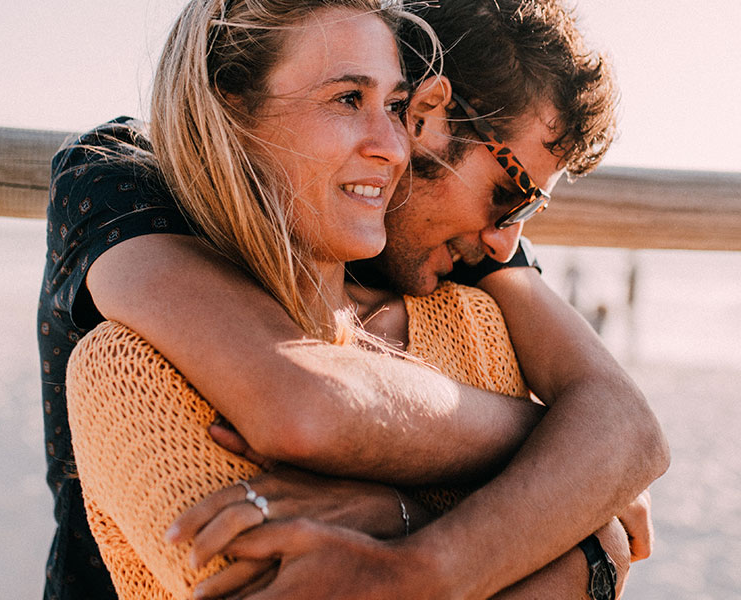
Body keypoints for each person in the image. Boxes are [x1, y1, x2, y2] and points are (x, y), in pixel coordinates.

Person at [37, 2, 669, 600]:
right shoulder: (121, 185)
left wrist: (406, 538)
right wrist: (563, 455)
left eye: (391, 105)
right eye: (511, 193)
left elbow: (626, 441)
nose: (507, 243)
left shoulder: (465, 290)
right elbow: (300, 400)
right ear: (435, 118)